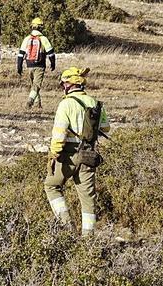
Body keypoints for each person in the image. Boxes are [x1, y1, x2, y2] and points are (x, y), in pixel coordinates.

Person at [44, 67, 110, 236]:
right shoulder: (94, 102)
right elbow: (105, 127)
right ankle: (88, 239)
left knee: (51, 186)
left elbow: (59, 133)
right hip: (88, 153)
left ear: (69, 84)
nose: (62, 86)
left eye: (63, 83)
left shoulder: (66, 104)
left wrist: (54, 154)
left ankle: (67, 228)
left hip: (68, 153)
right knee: (88, 199)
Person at [16, 18, 56, 109]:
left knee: (33, 85)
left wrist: (19, 66)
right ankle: (29, 102)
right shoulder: (43, 38)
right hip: (40, 65)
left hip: (29, 65)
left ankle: (38, 105)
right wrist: (53, 64)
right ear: (41, 27)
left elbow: (21, 54)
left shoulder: (27, 38)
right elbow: (51, 53)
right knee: (36, 85)